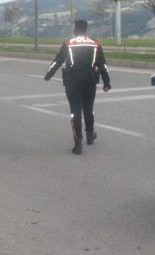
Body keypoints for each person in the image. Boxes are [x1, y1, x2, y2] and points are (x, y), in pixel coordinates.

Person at [43, 20, 112, 155]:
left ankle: (78, 144)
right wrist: (106, 82)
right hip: (90, 81)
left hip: (72, 82)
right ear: (86, 30)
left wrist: (48, 75)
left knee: (75, 112)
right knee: (89, 109)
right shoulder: (95, 43)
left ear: (75, 30)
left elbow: (57, 61)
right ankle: (90, 136)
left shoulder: (68, 43)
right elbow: (102, 65)